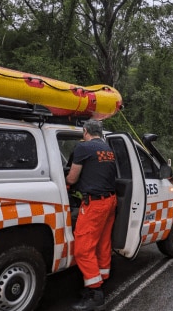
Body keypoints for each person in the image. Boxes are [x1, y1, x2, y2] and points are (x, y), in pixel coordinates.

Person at [66, 119, 117, 311]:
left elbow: (72, 177)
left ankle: (95, 293)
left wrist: (65, 182)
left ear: (85, 131)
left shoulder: (83, 148)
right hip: (110, 201)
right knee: (103, 243)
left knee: (83, 248)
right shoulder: (107, 149)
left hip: (94, 204)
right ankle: (101, 280)